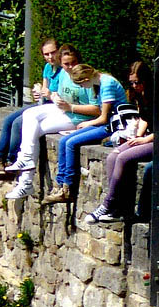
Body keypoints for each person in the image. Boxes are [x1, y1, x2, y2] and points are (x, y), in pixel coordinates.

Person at [4, 61, 103, 201]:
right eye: (65, 64)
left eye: (71, 63)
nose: (68, 67)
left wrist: (70, 107)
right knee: (28, 116)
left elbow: (97, 109)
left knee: (35, 130)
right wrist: (52, 96)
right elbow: (59, 97)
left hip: (77, 118)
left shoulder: (87, 79)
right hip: (64, 111)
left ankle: (26, 181)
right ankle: (25, 164)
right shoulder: (63, 73)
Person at [0, 38, 66, 178]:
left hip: (55, 108)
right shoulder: (48, 68)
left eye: (53, 53)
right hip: (44, 104)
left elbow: (62, 96)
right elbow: (44, 89)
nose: (50, 57)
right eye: (46, 54)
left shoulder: (64, 70)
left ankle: (12, 162)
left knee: (18, 123)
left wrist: (49, 95)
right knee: (8, 120)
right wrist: (39, 92)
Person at [41, 63, 128, 205]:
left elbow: (104, 117)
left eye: (80, 85)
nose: (82, 88)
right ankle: (61, 185)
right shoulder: (99, 82)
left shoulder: (107, 84)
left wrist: (86, 124)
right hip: (106, 123)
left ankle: (67, 188)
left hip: (114, 126)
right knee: (63, 141)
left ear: (85, 80)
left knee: (71, 143)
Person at [85, 61, 154, 224]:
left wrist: (144, 139)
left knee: (124, 158)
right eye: (132, 82)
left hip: (154, 140)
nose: (135, 86)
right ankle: (118, 209)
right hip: (146, 136)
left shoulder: (154, 94)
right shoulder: (140, 95)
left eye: (138, 82)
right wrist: (137, 135)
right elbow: (145, 118)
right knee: (113, 157)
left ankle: (108, 205)